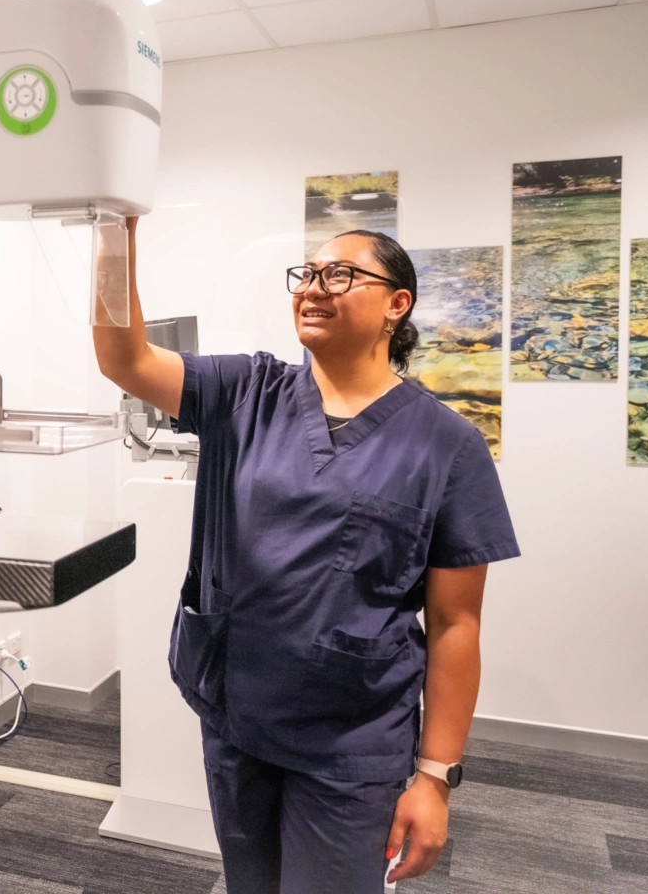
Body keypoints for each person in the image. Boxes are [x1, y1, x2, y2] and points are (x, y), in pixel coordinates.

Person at [94, 218, 518, 892]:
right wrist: (112, 233)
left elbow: (455, 624)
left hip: (353, 739)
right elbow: (125, 360)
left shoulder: (448, 446)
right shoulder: (245, 391)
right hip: (237, 715)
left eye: (339, 275)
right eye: (307, 274)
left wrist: (435, 778)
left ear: (396, 304)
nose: (314, 288)